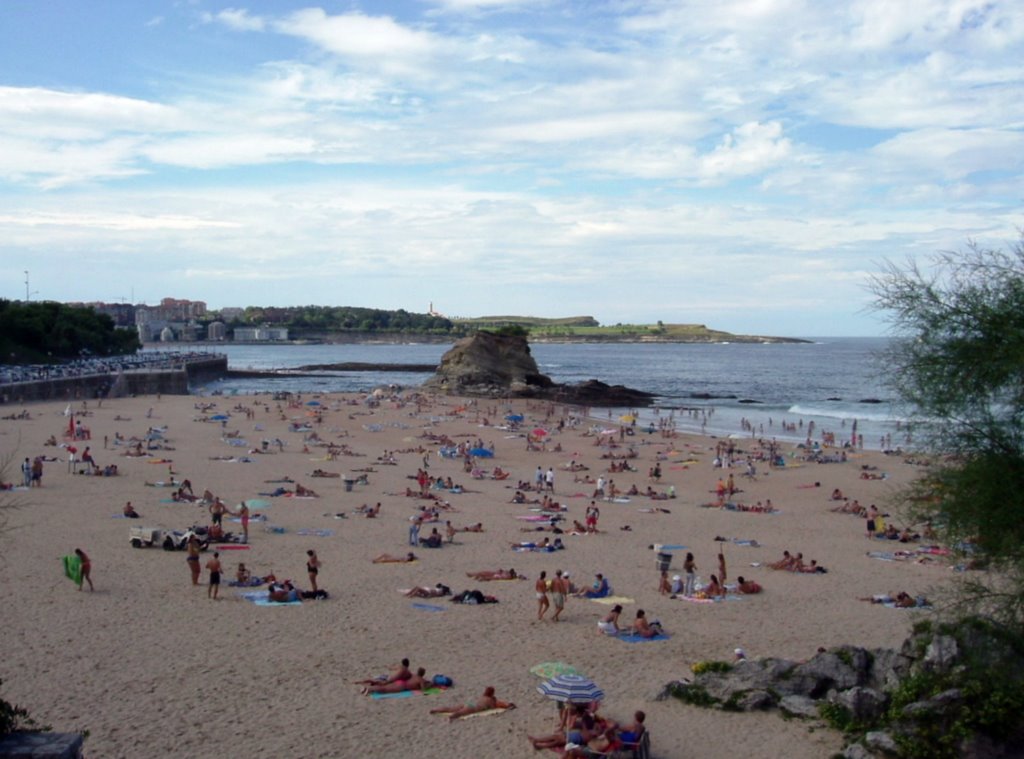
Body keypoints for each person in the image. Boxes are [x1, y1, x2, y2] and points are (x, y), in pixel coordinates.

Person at [430, 686, 511, 722]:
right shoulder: (491, 699)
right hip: (473, 708)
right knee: (460, 713)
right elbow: (493, 707)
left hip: (470, 703)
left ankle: (435, 709)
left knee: (451, 708)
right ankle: (451, 717)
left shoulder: (483, 696)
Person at [362, 667, 428, 696]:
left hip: (400, 682)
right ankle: (369, 689)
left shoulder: (413, 675)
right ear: (423, 674)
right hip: (402, 686)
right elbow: (423, 690)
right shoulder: (421, 680)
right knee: (385, 689)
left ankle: (368, 688)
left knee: (385, 686)